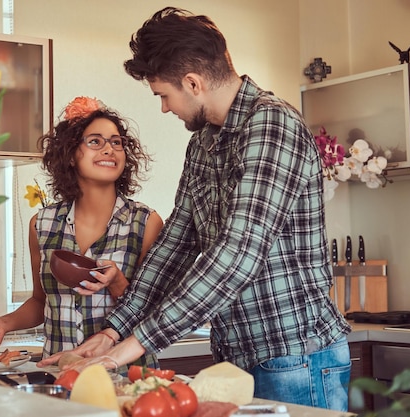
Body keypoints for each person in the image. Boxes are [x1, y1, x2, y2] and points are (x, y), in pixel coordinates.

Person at [38, 8, 352, 411]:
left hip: (296, 357)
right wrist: (114, 332)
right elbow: (174, 247)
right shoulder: (203, 143)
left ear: (193, 83)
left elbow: (238, 255)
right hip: (235, 359)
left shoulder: (273, 126)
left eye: (164, 95)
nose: (165, 108)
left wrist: (133, 345)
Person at [0, 96, 164, 374]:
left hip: (127, 377)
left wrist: (117, 283)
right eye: (95, 141)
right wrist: (2, 323)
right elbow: (40, 302)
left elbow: (156, 313)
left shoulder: (145, 223)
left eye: (116, 142)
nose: (109, 149)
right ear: (70, 154)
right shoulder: (41, 224)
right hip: (60, 374)